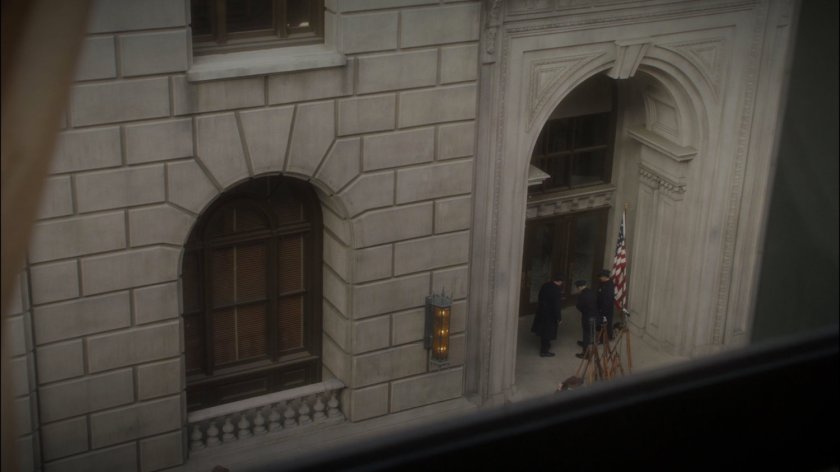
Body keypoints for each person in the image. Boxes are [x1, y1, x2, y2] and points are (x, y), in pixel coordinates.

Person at [531, 273, 565, 357]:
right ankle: (544, 351)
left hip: (542, 311)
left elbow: (539, 296)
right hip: (550, 315)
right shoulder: (557, 290)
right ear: (561, 281)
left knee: (543, 330)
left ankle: (545, 347)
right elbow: (557, 306)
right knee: (548, 333)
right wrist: (559, 318)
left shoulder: (545, 285)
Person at [574, 279, 598, 359]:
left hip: (587, 316)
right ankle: (587, 344)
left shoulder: (582, 295)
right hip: (594, 315)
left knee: (586, 334)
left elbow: (579, 306)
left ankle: (586, 354)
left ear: (579, 287)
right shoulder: (591, 292)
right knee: (591, 333)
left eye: (577, 288)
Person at [596, 269, 615, 341]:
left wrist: (603, 310)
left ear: (605, 277)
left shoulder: (609, 286)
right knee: (601, 323)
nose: (600, 278)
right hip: (600, 306)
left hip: (606, 309)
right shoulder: (601, 283)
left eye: (601, 277)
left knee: (606, 323)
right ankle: (601, 337)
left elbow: (608, 300)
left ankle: (605, 338)